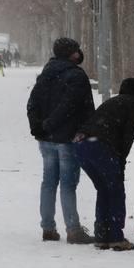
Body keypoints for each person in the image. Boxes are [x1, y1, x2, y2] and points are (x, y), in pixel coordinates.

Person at [25, 37, 96, 244]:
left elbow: (32, 104)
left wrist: (38, 127)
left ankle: (48, 228)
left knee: (48, 182)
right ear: (71, 53)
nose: (79, 53)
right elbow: (73, 106)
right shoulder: (77, 75)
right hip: (67, 138)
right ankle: (73, 230)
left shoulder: (45, 73)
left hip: (46, 140)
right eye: (76, 50)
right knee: (67, 184)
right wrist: (84, 130)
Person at [72, 77, 134, 251]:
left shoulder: (116, 101)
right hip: (100, 146)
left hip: (81, 144)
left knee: (104, 190)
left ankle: (102, 236)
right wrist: (121, 163)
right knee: (116, 191)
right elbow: (127, 138)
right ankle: (116, 237)